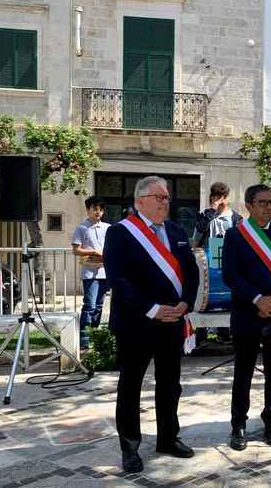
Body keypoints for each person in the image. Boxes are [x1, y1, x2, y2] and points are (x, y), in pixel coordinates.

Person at [103, 176, 200, 474]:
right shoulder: (121, 233)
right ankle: (130, 447)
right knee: (131, 387)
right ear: (140, 201)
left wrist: (186, 302)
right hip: (136, 324)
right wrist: (153, 309)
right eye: (159, 198)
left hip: (172, 322)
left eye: (168, 198)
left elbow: (190, 270)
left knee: (171, 385)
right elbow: (118, 278)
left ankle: (168, 438)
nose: (166, 202)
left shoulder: (175, 230)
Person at [222, 184, 271, 450]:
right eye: (263, 202)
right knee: (243, 372)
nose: (270, 206)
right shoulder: (235, 235)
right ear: (249, 206)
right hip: (247, 312)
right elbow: (230, 275)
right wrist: (259, 299)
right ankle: (238, 426)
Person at [192, 181, 242, 344]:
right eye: (217, 197)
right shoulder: (207, 215)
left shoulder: (235, 218)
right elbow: (199, 231)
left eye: (223, 197)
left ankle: (224, 331)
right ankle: (200, 333)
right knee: (204, 293)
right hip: (207, 261)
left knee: (225, 294)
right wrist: (212, 210)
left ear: (228, 198)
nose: (221, 200)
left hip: (227, 261)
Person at [71, 195, 111, 350]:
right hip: (89, 272)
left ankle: (94, 334)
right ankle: (83, 337)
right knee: (90, 305)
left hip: (104, 272)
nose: (98, 212)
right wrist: (94, 250)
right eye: (95, 209)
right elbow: (76, 250)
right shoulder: (82, 228)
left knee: (100, 305)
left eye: (100, 209)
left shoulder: (107, 228)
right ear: (88, 210)